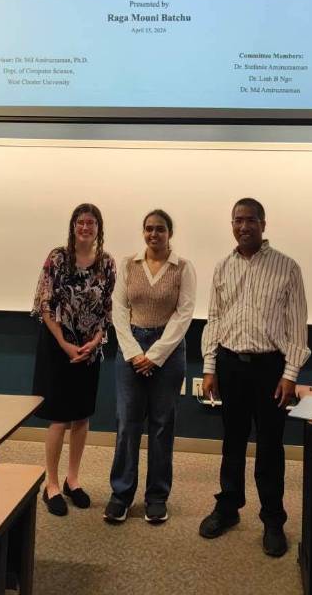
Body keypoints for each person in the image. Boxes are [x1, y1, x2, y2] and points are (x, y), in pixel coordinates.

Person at [199, 197, 310, 557]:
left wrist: (290, 374)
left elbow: (297, 326)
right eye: (237, 220)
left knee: (270, 446)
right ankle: (228, 507)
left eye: (249, 220)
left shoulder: (287, 267)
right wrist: (210, 367)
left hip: (270, 369)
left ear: (263, 224)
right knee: (232, 442)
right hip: (230, 364)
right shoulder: (222, 267)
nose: (242, 226)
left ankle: (273, 519)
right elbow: (214, 318)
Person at [104, 209, 196, 524]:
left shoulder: (183, 268)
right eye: (148, 229)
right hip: (131, 349)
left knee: (161, 426)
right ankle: (121, 495)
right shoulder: (129, 264)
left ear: (170, 233)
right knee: (127, 423)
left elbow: (184, 315)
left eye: (159, 229)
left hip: (168, 352)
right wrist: (133, 354)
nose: (153, 234)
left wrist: (154, 356)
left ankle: (156, 497)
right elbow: (119, 309)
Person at [32, 203, 116, 516]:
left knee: (81, 416)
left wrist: (95, 341)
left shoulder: (107, 263)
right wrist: (65, 344)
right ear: (73, 226)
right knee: (59, 417)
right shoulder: (58, 258)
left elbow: (108, 310)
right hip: (58, 345)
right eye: (80, 222)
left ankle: (73, 479)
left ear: (98, 228)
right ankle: (51, 484)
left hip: (89, 348)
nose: (85, 228)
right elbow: (44, 303)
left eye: (91, 223)